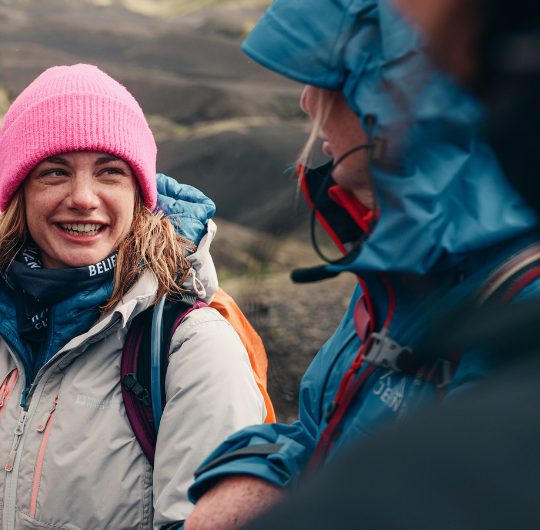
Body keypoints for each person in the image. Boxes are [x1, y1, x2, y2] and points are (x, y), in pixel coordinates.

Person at [182, 0, 540, 529]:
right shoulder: (404, 267)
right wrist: (252, 480)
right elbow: (323, 432)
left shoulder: (515, 296)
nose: (307, 102)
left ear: (399, 93)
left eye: (332, 81)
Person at [0, 64, 267, 530]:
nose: (83, 197)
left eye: (109, 172)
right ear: (20, 193)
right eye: (55, 173)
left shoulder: (190, 348)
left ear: (138, 193)